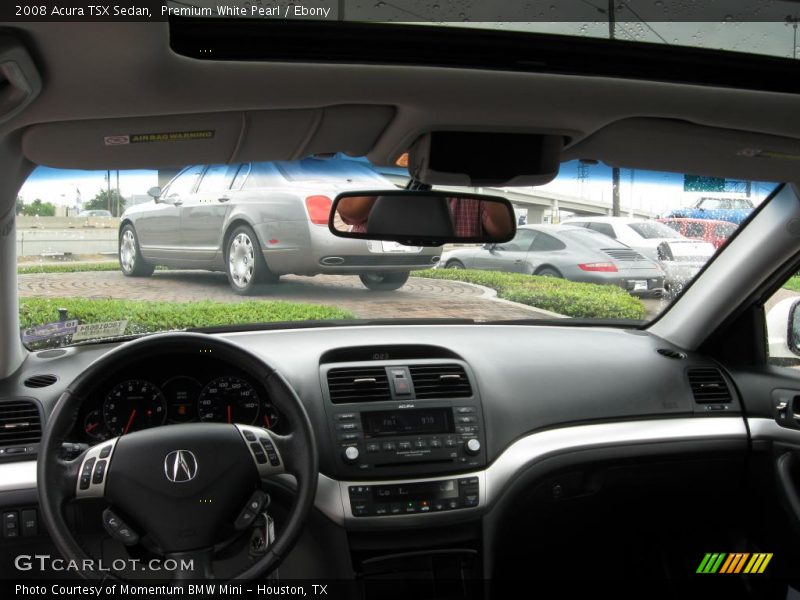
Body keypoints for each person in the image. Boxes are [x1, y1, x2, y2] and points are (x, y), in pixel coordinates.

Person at [336, 195, 512, 238]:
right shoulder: (383, 176)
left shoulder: (474, 199)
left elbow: (502, 231)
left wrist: (486, 178)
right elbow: (350, 212)